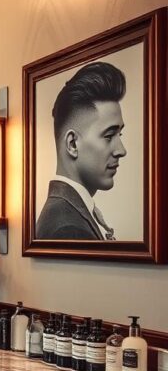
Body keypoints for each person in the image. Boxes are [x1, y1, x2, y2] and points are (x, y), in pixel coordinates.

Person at [36, 61, 127, 240]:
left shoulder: (69, 213)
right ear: (73, 144)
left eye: (120, 135)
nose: (121, 150)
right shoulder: (67, 228)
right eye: (109, 136)